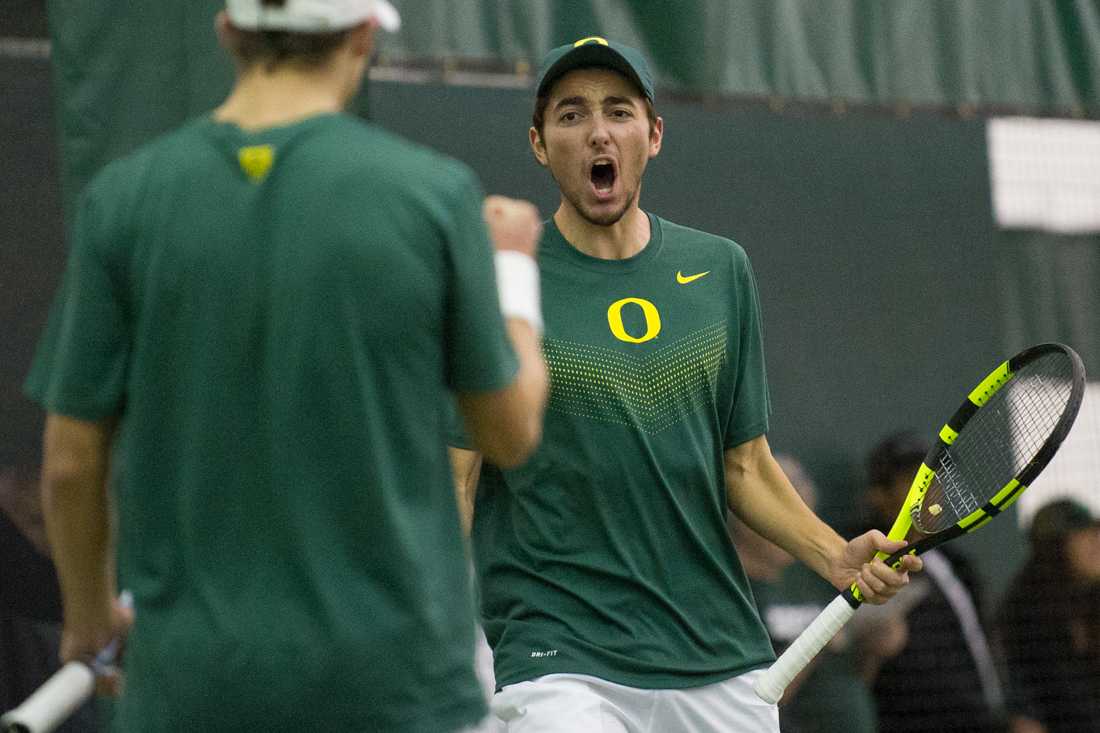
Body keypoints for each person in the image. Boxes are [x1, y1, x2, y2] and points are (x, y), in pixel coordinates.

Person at [24, 1, 549, 731]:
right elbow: (512, 431)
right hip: (394, 687)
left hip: (190, 688)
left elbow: (72, 462)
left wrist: (87, 616)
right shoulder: (433, 197)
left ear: (228, 32)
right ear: (364, 36)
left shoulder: (124, 201)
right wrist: (514, 273)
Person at [448, 37, 921, 732]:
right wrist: (434, 632)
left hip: (716, 654)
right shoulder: (505, 280)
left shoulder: (720, 270)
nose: (598, 131)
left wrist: (832, 554)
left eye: (618, 111)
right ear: (540, 144)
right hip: (557, 656)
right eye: (572, 115)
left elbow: (745, 463)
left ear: (654, 134)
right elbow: (455, 479)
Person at [731, 454, 890, 733]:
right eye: (783, 516)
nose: (795, 531)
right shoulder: (730, 593)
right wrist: (818, 641)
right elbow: (745, 703)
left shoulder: (815, 581)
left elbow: (850, 678)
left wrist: (872, 649)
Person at [860, 432, 1007, 733]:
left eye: (935, 479)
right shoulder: (868, 568)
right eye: (915, 481)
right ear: (879, 495)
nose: (931, 491)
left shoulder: (957, 565)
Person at [999, 498, 1100, 733]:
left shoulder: (1090, 596)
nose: (1096, 544)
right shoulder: (1024, 610)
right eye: (1082, 536)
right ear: (1054, 547)